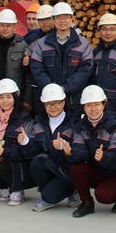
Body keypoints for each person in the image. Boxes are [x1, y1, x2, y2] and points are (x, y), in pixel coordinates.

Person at [65, 85, 116, 217]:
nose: (93, 109)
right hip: (97, 171)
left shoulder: (115, 126)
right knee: (76, 167)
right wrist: (70, 153)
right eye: (88, 105)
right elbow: (80, 153)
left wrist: (104, 157)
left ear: (104, 105)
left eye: (97, 104)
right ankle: (86, 203)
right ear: (83, 107)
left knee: (104, 196)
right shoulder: (80, 127)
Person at [21, 83, 78, 212]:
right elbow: (34, 151)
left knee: (49, 195)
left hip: (67, 171)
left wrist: (67, 149)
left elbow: (81, 153)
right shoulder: (38, 122)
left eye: (57, 103)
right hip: (49, 168)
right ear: (44, 104)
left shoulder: (74, 123)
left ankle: (73, 190)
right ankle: (48, 192)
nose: (53, 107)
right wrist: (26, 142)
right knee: (37, 162)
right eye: (48, 104)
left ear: (64, 102)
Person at [29, 2, 93, 116]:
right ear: (53, 20)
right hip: (48, 100)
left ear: (71, 19)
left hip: (73, 100)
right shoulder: (42, 43)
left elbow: (85, 70)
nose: (62, 21)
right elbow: (36, 69)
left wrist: (66, 88)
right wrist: (51, 89)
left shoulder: (83, 44)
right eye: (58, 17)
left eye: (66, 17)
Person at [0, 79, 34, 205]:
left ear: (15, 97)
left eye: (8, 97)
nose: (5, 101)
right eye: (1, 97)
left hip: (18, 161)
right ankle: (7, 186)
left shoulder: (24, 118)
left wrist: (8, 150)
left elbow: (29, 150)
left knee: (3, 166)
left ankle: (17, 189)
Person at [0, 9, 31, 110]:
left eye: (8, 26)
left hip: (16, 97)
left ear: (14, 26)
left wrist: (27, 99)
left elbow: (28, 76)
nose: (5, 29)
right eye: (2, 25)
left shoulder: (22, 46)